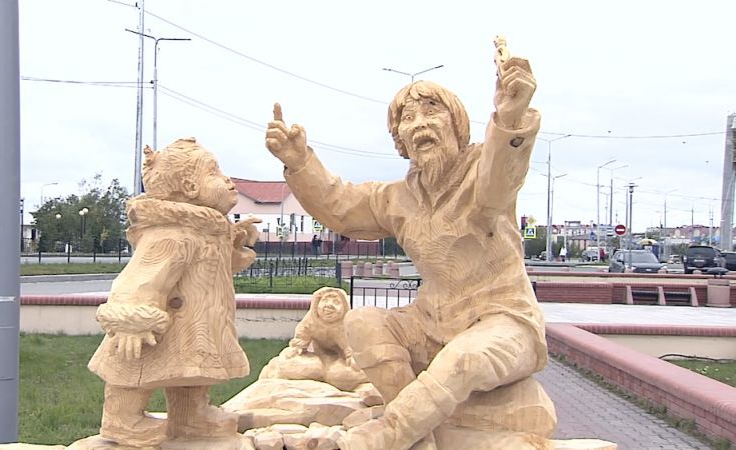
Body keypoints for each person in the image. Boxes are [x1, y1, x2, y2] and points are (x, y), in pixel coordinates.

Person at [265, 43, 554, 449]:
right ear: (399, 140)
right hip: (431, 323)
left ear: (457, 124)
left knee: (465, 358)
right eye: (407, 118)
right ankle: (421, 436)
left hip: (502, 321)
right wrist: (300, 164)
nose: (419, 124)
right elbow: (341, 207)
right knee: (362, 322)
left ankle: (389, 434)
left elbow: (498, 182)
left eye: (432, 111)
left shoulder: (481, 171)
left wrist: (509, 118)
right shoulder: (397, 198)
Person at [88, 138, 261, 447]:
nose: (228, 180)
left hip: (198, 324)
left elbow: (213, 268)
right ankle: (122, 418)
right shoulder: (173, 234)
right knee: (136, 367)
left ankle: (190, 416)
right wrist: (132, 319)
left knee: (193, 370)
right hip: (160, 326)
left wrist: (235, 245)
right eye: (214, 172)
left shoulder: (208, 231)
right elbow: (142, 275)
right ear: (190, 187)